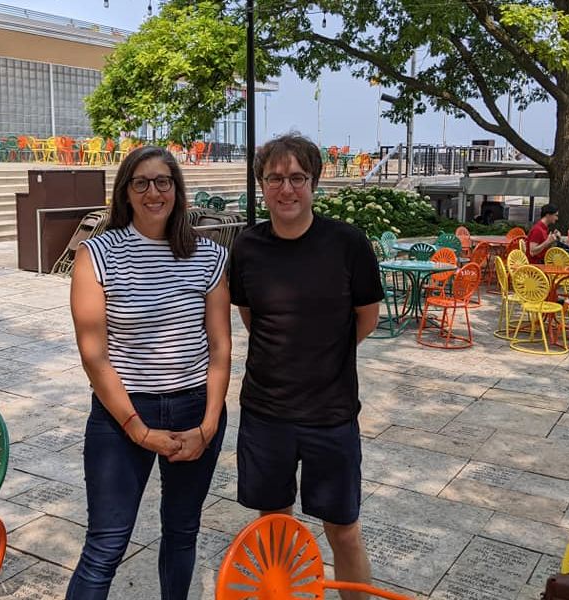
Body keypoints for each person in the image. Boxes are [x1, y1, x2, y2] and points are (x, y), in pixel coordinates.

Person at [66, 146, 230, 600]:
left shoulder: (209, 256)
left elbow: (220, 346)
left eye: (163, 182)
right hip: (123, 413)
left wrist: (209, 425)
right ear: (126, 192)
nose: (153, 191)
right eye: (141, 182)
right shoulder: (96, 254)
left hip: (195, 407)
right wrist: (138, 430)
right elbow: (94, 355)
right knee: (106, 542)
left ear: (177, 190)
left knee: (181, 531)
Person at [228, 133, 383, 600]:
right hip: (266, 413)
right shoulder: (249, 247)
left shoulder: (348, 244)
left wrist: (320, 353)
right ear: (262, 185)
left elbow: (366, 320)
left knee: (344, 529)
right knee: (275, 526)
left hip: (330, 415)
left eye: (297, 177)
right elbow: (252, 317)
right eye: (275, 178)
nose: (286, 189)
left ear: (314, 182)